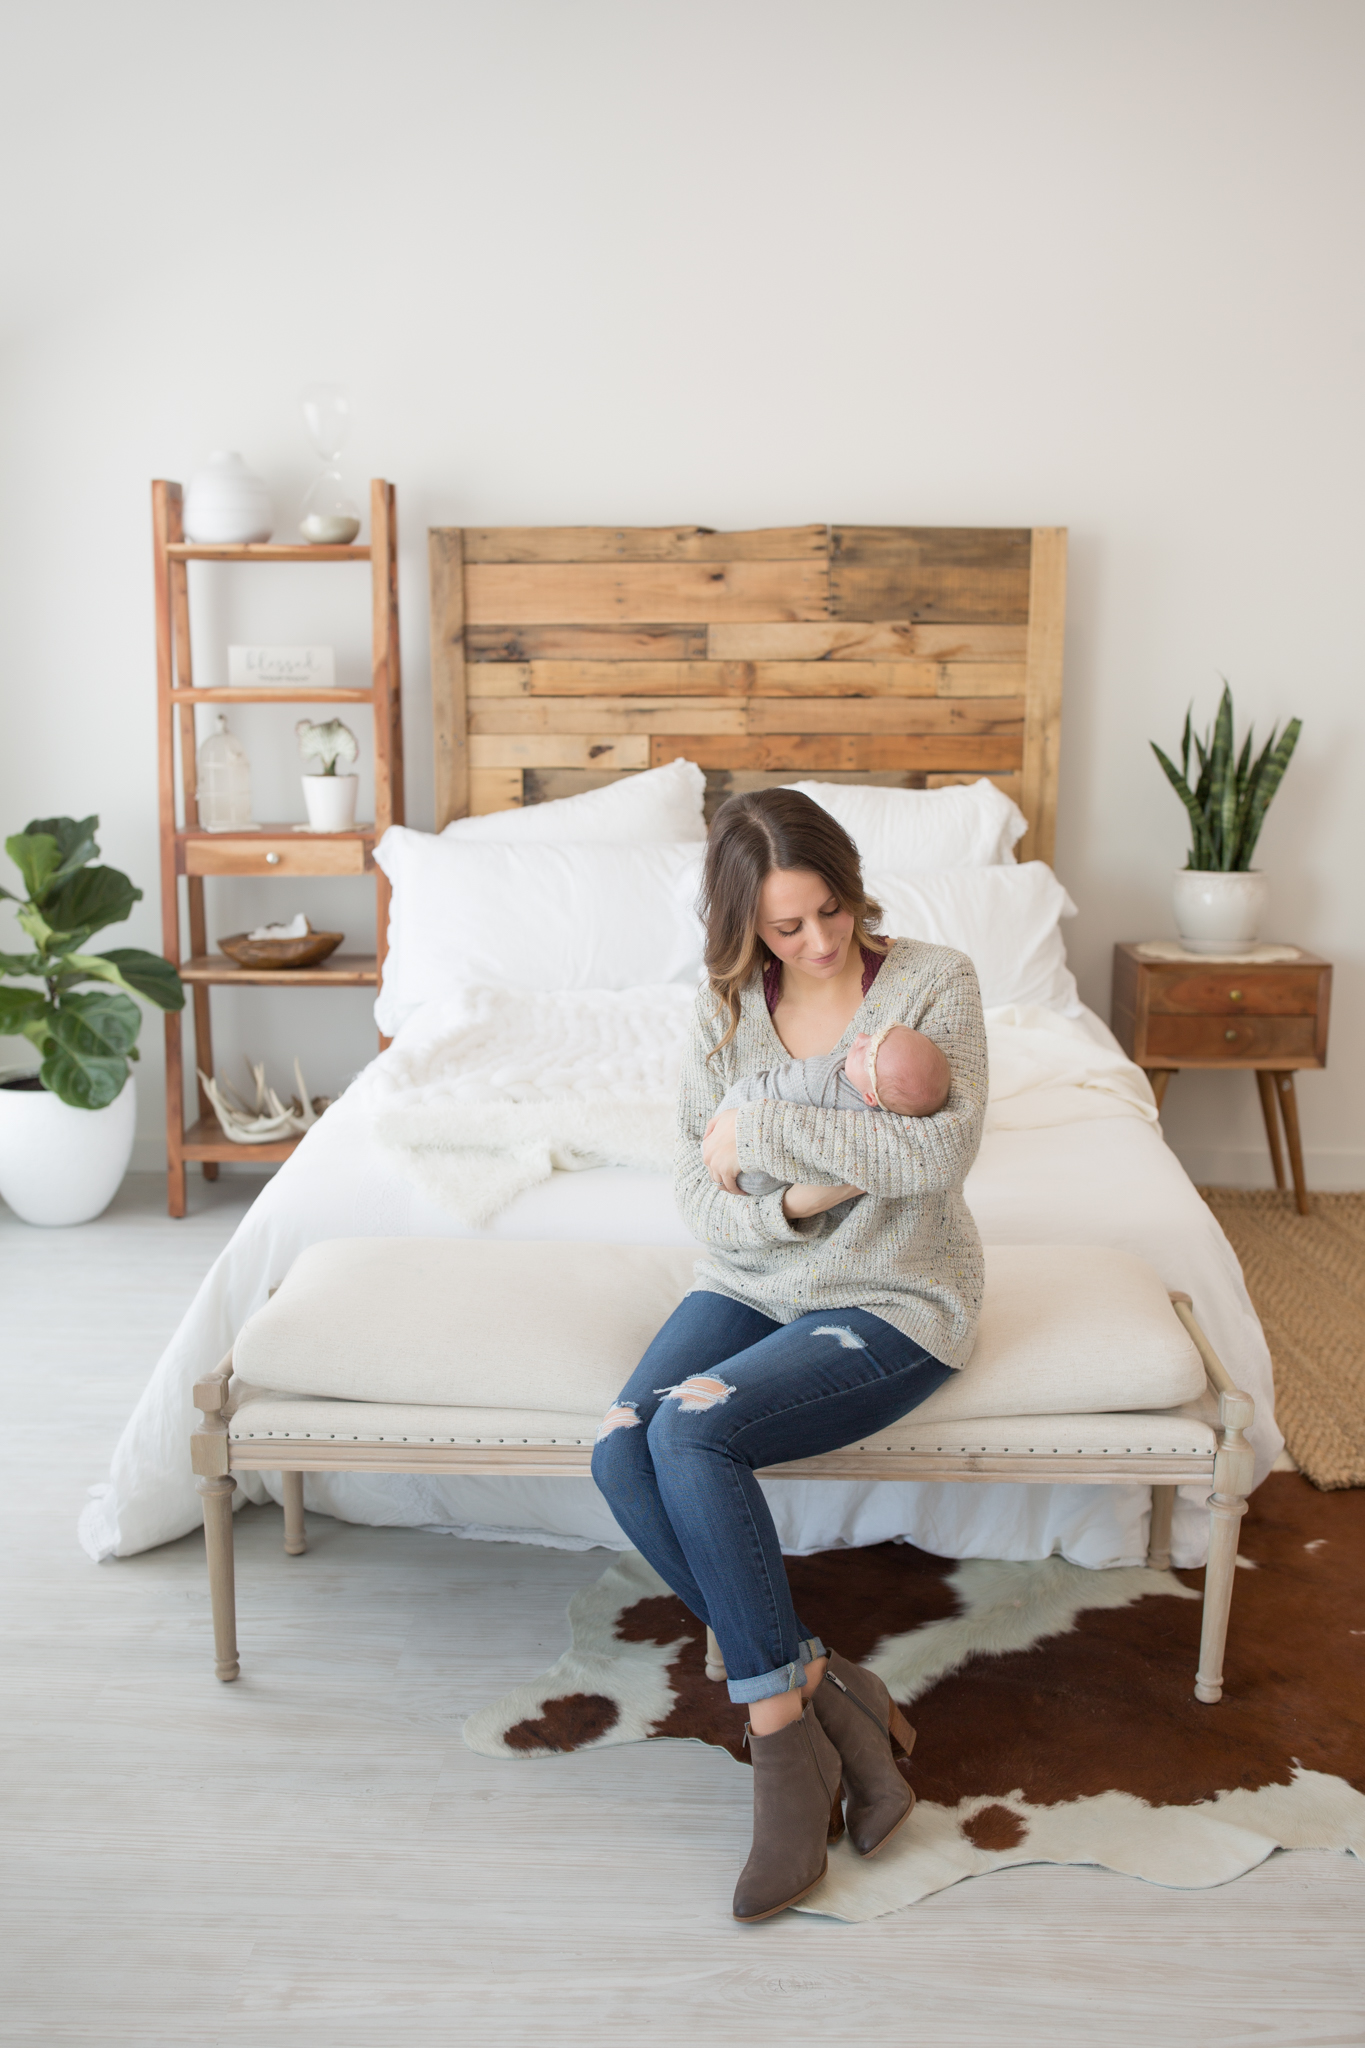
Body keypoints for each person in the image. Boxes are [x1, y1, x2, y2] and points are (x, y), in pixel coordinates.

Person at [591, 787, 987, 1922]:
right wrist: (793, 1208)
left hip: (898, 1294)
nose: (817, 944)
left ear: (850, 885)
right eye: (785, 928)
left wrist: (761, 1140)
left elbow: (937, 1151)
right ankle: (830, 1694)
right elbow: (689, 1184)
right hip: (755, 1280)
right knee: (624, 1445)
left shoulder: (932, 982)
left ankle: (779, 1741)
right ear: (742, 927)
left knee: (694, 1427)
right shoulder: (722, 1011)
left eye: (829, 912)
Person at [713, 1021, 950, 1198]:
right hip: (731, 1124)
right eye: (873, 1036)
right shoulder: (887, 1114)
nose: (859, 1037)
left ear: (869, 1097)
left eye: (864, 1051)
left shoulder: (824, 1080)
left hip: (750, 1171)